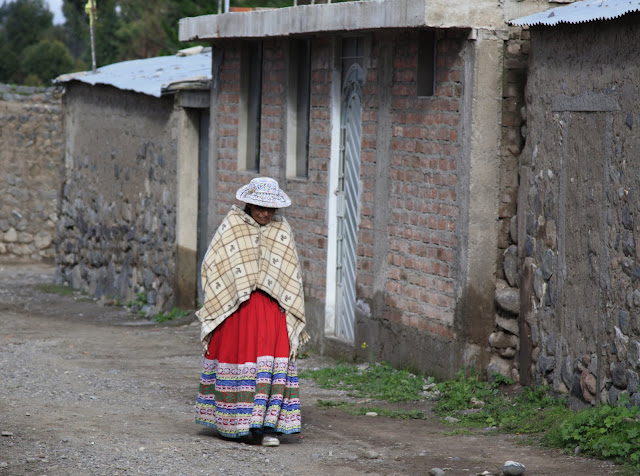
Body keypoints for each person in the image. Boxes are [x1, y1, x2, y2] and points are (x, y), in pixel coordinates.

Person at [195, 177, 309, 447]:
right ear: (248, 203)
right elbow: (214, 263)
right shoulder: (232, 226)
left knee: (271, 360)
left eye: (271, 209)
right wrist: (231, 291)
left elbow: (290, 273)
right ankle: (238, 425)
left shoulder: (282, 230)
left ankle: (268, 426)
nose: (265, 213)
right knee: (241, 355)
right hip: (239, 308)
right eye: (260, 207)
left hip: (271, 308)